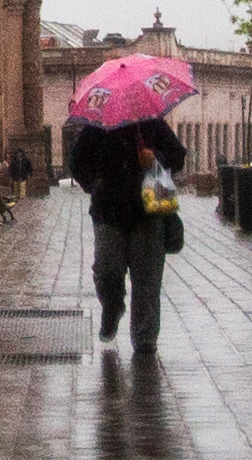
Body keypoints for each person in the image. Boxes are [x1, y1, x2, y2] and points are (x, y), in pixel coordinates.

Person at [68, 112, 185, 355]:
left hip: (148, 212)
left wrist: (156, 158)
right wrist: (95, 183)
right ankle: (112, 308)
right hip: (108, 212)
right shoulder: (95, 127)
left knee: (147, 278)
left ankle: (145, 340)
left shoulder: (151, 124)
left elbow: (178, 154)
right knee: (106, 270)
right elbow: (77, 162)